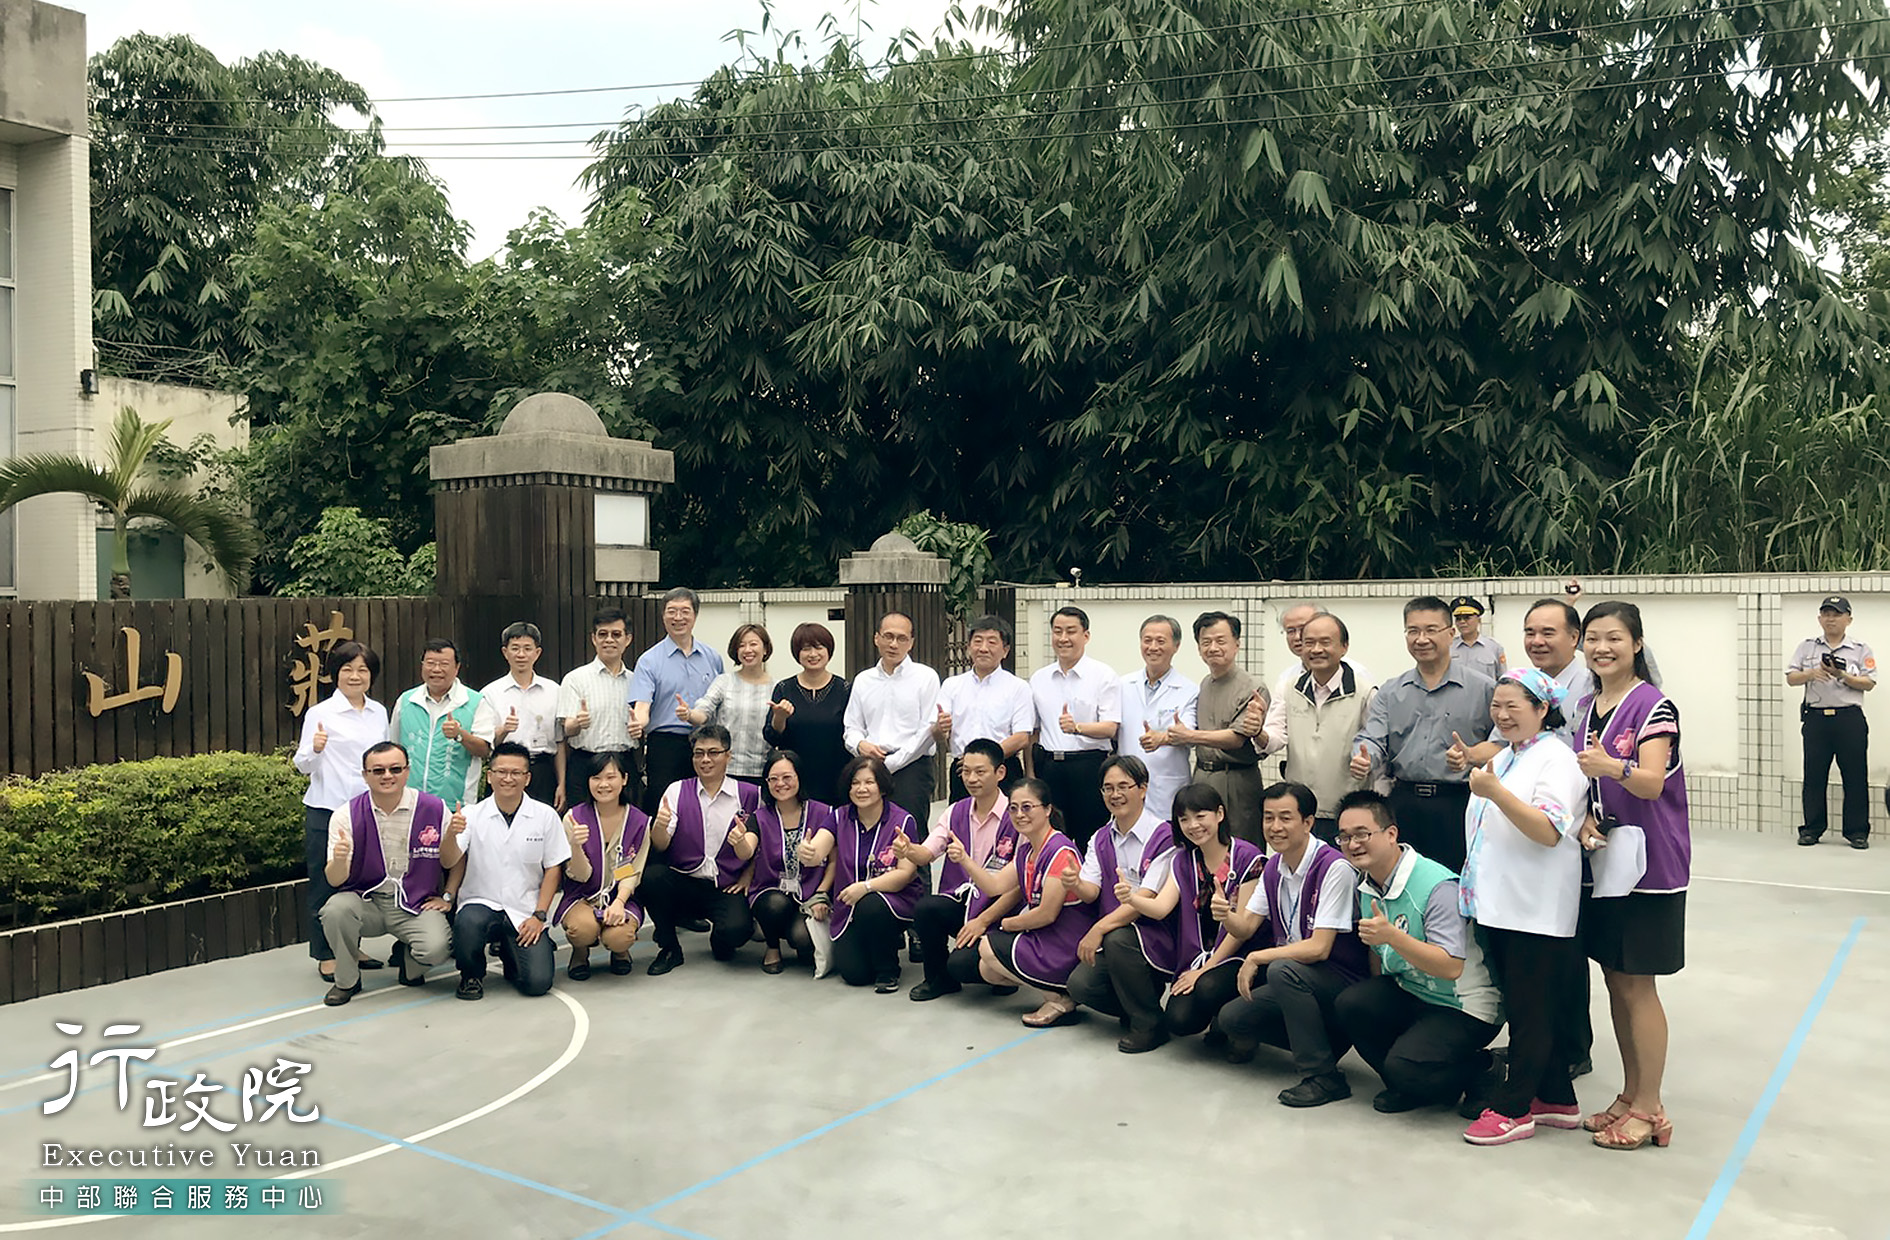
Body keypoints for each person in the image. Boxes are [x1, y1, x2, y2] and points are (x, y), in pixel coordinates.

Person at [1573, 600, 1689, 1151]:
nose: (1602, 648)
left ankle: (1651, 1106)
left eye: (1614, 638)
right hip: (1609, 863)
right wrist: (1589, 818)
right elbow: (1595, 789)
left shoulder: (1653, 706)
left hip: (1651, 867)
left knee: (1639, 984)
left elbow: (1649, 782)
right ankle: (1629, 1094)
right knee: (1617, 980)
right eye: (1593, 638)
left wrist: (1611, 767)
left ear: (1637, 644)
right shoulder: (1586, 705)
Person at [1456, 669, 1588, 1146]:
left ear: (1542, 710)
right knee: (1525, 1005)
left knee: (1532, 1011)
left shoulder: (1558, 759)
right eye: (1497, 705)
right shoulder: (1513, 755)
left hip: (1534, 908)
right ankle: (1556, 1098)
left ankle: (1514, 1108)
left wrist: (1495, 793)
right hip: (1503, 905)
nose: (1503, 715)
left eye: (1514, 706)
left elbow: (1549, 831)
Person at [1333, 790, 1504, 1114]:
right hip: (1415, 991)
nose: (1352, 844)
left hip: (1464, 1005)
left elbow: (1450, 966)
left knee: (1404, 1065)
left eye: (1362, 834)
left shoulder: (1436, 885)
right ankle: (1412, 1082)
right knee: (1352, 1005)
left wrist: (1392, 937)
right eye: (1344, 837)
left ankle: (1484, 1069)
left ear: (1391, 834)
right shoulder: (1368, 884)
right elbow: (1377, 955)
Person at [1218, 782, 1369, 1107]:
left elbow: (1320, 948)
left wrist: (1257, 957)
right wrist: (1225, 914)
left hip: (1339, 978)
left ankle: (1323, 1076)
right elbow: (1245, 925)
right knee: (1233, 1019)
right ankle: (1323, 1041)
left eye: (1285, 818)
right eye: (1268, 817)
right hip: (1301, 978)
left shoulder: (1334, 867)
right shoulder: (1274, 866)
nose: (1275, 827)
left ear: (1308, 822)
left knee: (1282, 969)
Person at [1351, 596, 1495, 873]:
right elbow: (1372, 738)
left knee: (1456, 884)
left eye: (1431, 630)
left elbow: (1502, 742)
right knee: (1401, 881)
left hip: (1461, 802)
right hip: (1404, 802)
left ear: (1451, 634)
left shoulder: (1484, 689)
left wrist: (1471, 756)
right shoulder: (1391, 691)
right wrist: (1362, 757)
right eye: (1413, 631)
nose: (1421, 639)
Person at [1116, 781, 1263, 1042]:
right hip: (1198, 957)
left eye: (1200, 816)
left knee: (1208, 987)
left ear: (1219, 814)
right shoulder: (1183, 859)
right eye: (1184, 819)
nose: (1193, 825)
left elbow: (1242, 931)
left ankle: (1238, 1026)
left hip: (1238, 956)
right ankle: (1222, 1016)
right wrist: (1132, 899)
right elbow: (1161, 908)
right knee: (1179, 1021)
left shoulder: (1247, 857)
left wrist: (1205, 969)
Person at [315, 741, 453, 1005]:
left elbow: (455, 859)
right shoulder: (346, 815)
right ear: (365, 775)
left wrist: (448, 895)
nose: (387, 776)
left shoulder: (433, 808)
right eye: (378, 771)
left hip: (414, 901)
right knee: (335, 910)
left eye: (395, 769)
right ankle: (347, 980)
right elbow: (334, 880)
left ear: (407, 771)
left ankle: (409, 961)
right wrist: (340, 859)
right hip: (369, 902)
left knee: (437, 948)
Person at [1063, 756, 1179, 1051]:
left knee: (1117, 938)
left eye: (1124, 786)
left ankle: (1148, 1025)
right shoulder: (1101, 837)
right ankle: (1140, 1006)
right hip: (1117, 933)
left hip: (1157, 932)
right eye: (1108, 788)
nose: (1115, 795)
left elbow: (1147, 898)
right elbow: (1091, 891)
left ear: (1143, 788)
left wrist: (1099, 928)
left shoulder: (1164, 836)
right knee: (1081, 985)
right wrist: (1075, 883)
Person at [441, 742, 569, 1001]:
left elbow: (553, 868)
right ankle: (471, 975)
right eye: (501, 772)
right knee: (467, 922)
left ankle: (512, 953)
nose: (507, 778)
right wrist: (451, 835)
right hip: (481, 902)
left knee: (537, 984)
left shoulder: (545, 816)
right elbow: (448, 860)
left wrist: (539, 915)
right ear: (489, 775)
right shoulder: (472, 814)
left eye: (516, 773)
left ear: (527, 778)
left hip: (524, 908)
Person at [294, 640, 389, 984]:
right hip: (328, 809)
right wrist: (315, 749)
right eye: (347, 669)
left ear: (372, 675)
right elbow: (302, 765)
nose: (355, 676)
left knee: (358, 884)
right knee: (325, 882)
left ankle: (352, 946)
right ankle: (326, 954)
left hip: (367, 811)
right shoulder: (320, 714)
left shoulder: (379, 711)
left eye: (363, 669)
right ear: (335, 673)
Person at [900, 739, 1022, 1001]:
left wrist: (984, 920)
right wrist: (908, 850)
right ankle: (937, 980)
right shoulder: (956, 810)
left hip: (1003, 911)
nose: (971, 778)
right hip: (964, 903)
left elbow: (1017, 888)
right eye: (965, 771)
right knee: (926, 908)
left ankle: (1004, 967)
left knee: (962, 966)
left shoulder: (1018, 815)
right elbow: (926, 853)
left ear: (1000, 773)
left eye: (980, 771)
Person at [972, 776, 1097, 1027]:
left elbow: (1047, 914)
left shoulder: (1060, 850)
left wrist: (1007, 924)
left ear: (1048, 809)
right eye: (1014, 808)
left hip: (1065, 942)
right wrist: (963, 859)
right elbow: (993, 886)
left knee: (988, 947)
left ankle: (1058, 999)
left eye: (1027, 807)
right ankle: (1056, 995)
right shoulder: (1026, 851)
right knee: (988, 970)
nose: (1019, 814)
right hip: (1045, 936)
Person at [641, 723, 762, 975]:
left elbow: (762, 843)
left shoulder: (750, 794)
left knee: (736, 932)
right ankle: (670, 948)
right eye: (699, 753)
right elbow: (661, 844)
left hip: (726, 884)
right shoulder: (677, 790)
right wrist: (659, 827)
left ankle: (721, 940)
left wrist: (748, 875)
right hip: (685, 881)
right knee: (652, 877)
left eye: (713, 752)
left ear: (728, 755)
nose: (705, 759)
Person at [828, 755, 924, 993]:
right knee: (855, 974)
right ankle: (873, 943)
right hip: (849, 905)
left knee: (871, 905)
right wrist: (808, 851)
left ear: (882, 786)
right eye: (855, 783)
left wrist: (867, 886)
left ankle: (888, 969)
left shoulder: (903, 820)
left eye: (869, 782)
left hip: (894, 900)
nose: (861, 789)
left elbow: (905, 874)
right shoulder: (840, 816)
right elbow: (819, 842)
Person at [1788, 596, 1877, 848]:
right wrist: (1810, 673)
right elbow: (1791, 677)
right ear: (1819, 619)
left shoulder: (1860, 649)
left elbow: (1869, 683)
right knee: (1814, 776)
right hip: (1816, 720)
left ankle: (1857, 832)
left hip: (1849, 719)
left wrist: (1842, 675)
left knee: (1855, 776)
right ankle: (1812, 829)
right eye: (1826, 614)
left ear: (1848, 619)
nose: (1831, 619)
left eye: (1837, 614)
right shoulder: (1807, 647)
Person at [1029, 606, 1121, 849]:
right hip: (1049, 768)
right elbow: (1033, 732)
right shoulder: (1039, 678)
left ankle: (1091, 887)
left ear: (1086, 636)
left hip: (1088, 767)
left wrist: (1078, 727)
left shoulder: (1103, 675)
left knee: (1090, 840)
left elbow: (1111, 727)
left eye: (1071, 631)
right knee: (1049, 838)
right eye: (1057, 631)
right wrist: (1031, 773)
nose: (1063, 638)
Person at [1170, 612, 1266, 844]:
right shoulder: (1204, 683)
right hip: (1203, 775)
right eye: (1206, 642)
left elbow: (1236, 738)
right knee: (1203, 843)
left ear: (1237, 644)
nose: (1213, 648)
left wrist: (1190, 736)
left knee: (1241, 845)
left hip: (1237, 779)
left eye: (1220, 641)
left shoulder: (1252, 687)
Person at [842, 611, 942, 834]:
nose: (894, 644)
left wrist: (892, 763)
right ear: (876, 638)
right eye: (888, 636)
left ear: (911, 642)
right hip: (869, 765)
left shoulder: (925, 677)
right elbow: (851, 726)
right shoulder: (863, 680)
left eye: (901, 638)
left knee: (910, 835)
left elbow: (928, 730)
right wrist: (860, 745)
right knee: (870, 832)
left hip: (911, 767)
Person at [553, 750, 648, 980]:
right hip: (582, 896)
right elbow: (580, 875)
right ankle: (580, 951)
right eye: (596, 778)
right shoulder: (574, 818)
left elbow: (632, 871)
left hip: (620, 897)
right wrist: (575, 846)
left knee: (619, 937)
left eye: (610, 777)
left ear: (624, 779)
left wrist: (618, 902)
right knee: (582, 930)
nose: (603, 784)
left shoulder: (639, 821)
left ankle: (621, 950)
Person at [630, 587, 726, 815]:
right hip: (666, 745)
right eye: (671, 611)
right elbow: (642, 705)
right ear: (663, 616)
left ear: (695, 615)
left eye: (685, 611)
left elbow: (720, 701)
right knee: (664, 807)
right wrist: (639, 722)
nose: (678, 618)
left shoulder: (712, 657)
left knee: (705, 804)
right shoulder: (649, 660)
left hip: (706, 743)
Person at [1279, 612, 1375, 839]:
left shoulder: (1365, 691)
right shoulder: (1290, 687)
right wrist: (1258, 734)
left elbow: (1376, 740)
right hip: (1300, 810)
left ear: (1344, 647)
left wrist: (1367, 759)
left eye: (1325, 642)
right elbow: (1275, 734)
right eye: (1309, 643)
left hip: (1345, 811)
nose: (1316, 649)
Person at [747, 748, 837, 974]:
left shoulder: (824, 812)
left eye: (787, 777)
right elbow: (746, 848)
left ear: (799, 777)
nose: (780, 784)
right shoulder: (760, 816)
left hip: (811, 893)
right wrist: (739, 840)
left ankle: (798, 934)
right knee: (774, 905)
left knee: (802, 939)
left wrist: (822, 894)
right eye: (773, 779)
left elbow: (834, 861)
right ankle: (772, 946)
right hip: (772, 890)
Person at [933, 615, 1034, 802]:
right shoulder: (951, 685)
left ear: (1005, 650)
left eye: (992, 642)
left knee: (1007, 826)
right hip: (962, 770)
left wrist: (984, 759)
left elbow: (1021, 738)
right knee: (962, 824)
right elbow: (939, 735)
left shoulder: (1018, 687)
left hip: (1002, 769)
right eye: (977, 641)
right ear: (969, 647)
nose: (983, 648)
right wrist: (939, 728)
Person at [1117, 615, 1200, 826]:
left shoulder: (1189, 690)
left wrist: (1162, 738)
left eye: (1161, 641)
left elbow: (1189, 732)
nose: (1153, 647)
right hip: (1127, 787)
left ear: (1176, 646)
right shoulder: (1122, 685)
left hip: (1167, 790)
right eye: (1147, 640)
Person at [473, 622, 565, 808]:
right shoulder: (490, 693)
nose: (521, 654)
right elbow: (484, 745)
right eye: (515, 648)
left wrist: (562, 784)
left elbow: (560, 742)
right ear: (505, 652)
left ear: (537, 653)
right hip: (505, 771)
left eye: (527, 648)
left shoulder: (554, 691)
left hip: (542, 771)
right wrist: (504, 730)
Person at [559, 608, 641, 811]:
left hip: (624, 762)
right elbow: (567, 729)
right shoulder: (575, 679)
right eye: (602, 634)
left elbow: (645, 722)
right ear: (593, 639)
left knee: (627, 824)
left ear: (627, 639)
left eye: (616, 634)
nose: (609, 640)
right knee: (582, 828)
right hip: (586, 763)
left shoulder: (637, 681)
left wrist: (640, 729)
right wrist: (578, 722)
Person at [763, 622, 852, 807]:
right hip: (796, 780)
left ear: (829, 650)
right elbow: (772, 737)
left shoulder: (845, 689)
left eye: (819, 647)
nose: (813, 654)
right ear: (797, 653)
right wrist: (780, 717)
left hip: (836, 778)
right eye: (806, 649)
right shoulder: (784, 688)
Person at [390, 639, 488, 805]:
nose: (436, 669)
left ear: (457, 668)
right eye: (430, 663)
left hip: (456, 803)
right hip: (408, 802)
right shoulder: (406, 701)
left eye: (444, 664)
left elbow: (484, 750)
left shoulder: (475, 702)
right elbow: (393, 746)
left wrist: (460, 735)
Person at [685, 622, 776, 782]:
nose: (747, 650)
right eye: (741, 645)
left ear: (765, 649)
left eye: (753, 644)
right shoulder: (724, 682)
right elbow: (704, 710)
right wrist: (689, 714)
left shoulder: (777, 687)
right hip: (725, 769)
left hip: (762, 770)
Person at [1449, 596, 1508, 683]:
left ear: (1479, 620)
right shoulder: (1448, 647)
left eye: (1467, 618)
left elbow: (1503, 678)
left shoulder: (1494, 647)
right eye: (1458, 618)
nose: (1462, 622)